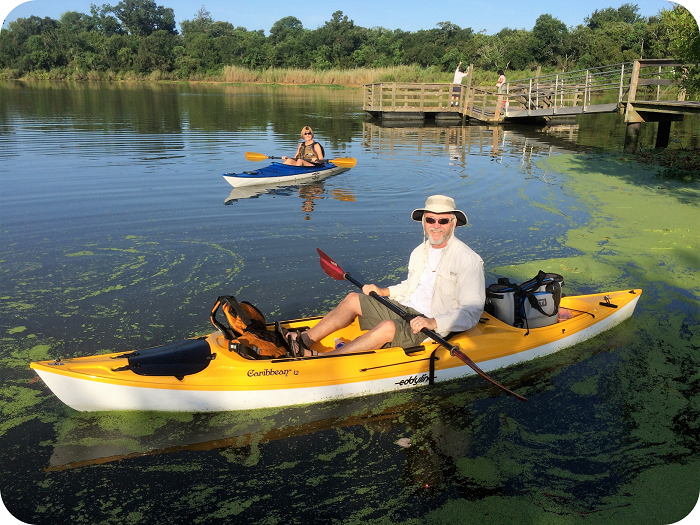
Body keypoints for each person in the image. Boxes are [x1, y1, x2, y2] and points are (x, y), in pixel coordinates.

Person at [290, 195, 485, 356]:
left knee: (388, 327)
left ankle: (323, 358)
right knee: (352, 300)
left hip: (432, 325)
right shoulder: (420, 251)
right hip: (407, 308)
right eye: (430, 220)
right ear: (424, 222)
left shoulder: (468, 260)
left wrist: (433, 322)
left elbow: (471, 312)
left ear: (454, 223)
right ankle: (303, 339)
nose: (436, 225)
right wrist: (383, 291)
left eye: (442, 220)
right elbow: (410, 286)